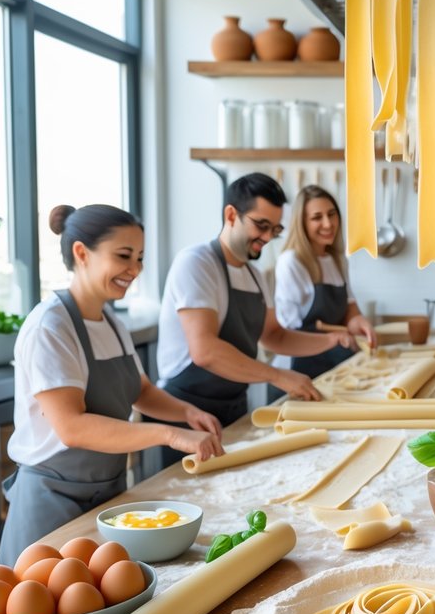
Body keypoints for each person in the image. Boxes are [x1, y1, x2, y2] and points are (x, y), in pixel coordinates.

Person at [0, 205, 224, 564]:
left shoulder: (111, 322)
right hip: (51, 504)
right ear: (81, 253)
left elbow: (141, 390)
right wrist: (169, 434)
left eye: (139, 257)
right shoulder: (50, 327)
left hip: (108, 496)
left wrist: (188, 412)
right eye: (123, 256)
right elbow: (72, 427)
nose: (134, 269)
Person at [156, 173, 353, 444]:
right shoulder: (196, 264)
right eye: (261, 225)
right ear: (231, 214)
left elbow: (276, 336)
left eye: (275, 229)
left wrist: (331, 340)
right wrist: (278, 376)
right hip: (186, 410)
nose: (267, 237)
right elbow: (205, 351)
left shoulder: (255, 276)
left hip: (234, 405)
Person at [273, 184, 376, 379]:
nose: (328, 224)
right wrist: (333, 338)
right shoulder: (291, 262)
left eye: (332, 214)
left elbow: (349, 308)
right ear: (301, 223)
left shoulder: (338, 260)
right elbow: (287, 331)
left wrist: (360, 323)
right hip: (298, 370)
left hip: (333, 367)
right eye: (317, 217)